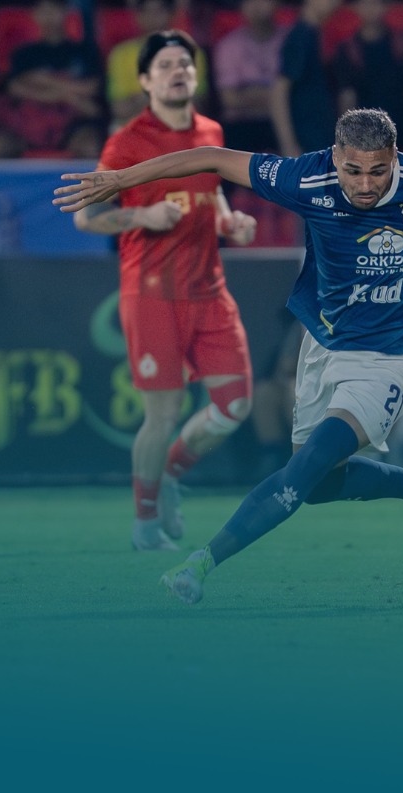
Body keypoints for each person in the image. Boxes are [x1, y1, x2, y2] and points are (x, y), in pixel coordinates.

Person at [55, 108, 403, 604]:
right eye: (353, 170)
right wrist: (122, 180)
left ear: (395, 157)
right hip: (325, 348)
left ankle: (200, 563)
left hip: (391, 359)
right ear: (335, 157)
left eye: (378, 171)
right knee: (321, 485)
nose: (365, 185)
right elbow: (212, 157)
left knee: (305, 469)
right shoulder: (305, 178)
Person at [71, 30, 258, 551]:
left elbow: (212, 195)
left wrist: (230, 223)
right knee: (163, 414)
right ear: (145, 80)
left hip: (210, 292)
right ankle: (145, 522)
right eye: (167, 65)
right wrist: (142, 216)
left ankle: (171, 473)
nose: (179, 72)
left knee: (234, 407)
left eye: (186, 64)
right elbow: (87, 217)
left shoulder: (211, 132)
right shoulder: (127, 142)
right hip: (152, 293)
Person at [0, 0, 105, 159]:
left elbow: (92, 87)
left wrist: (41, 80)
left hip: (74, 125)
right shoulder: (24, 54)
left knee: (90, 146)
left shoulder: (85, 51)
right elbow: (15, 87)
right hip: (29, 124)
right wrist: (65, 96)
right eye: (43, 11)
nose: (48, 17)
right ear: (34, 15)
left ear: (66, 12)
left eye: (54, 10)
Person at [334, 0, 403, 153]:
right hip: (369, 138)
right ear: (355, 8)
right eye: (364, 3)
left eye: (376, 3)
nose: (370, 8)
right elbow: (347, 98)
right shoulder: (348, 50)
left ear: (386, 6)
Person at [106, 0, 209, 128]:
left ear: (172, 14)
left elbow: (197, 104)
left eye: (159, 11)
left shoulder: (192, 52)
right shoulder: (121, 54)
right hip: (135, 128)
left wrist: (142, 98)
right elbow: (120, 109)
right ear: (136, 15)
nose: (152, 17)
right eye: (146, 11)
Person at [212, 0, 289, 153]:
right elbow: (230, 99)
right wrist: (279, 95)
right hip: (242, 128)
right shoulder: (228, 45)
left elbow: (301, 96)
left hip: (285, 123)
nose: (256, 6)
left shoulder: (290, 40)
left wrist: (249, 93)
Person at [271, 0, 341, 157]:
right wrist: (288, 145)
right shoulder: (300, 36)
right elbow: (278, 92)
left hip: (321, 138)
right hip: (306, 141)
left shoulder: (316, 35)